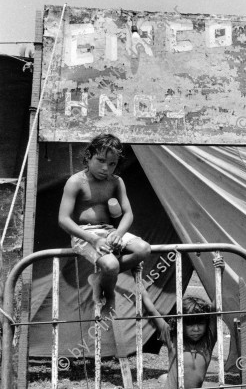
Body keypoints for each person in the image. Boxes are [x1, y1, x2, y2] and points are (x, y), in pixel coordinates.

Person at [58, 133, 151, 316]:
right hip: (84, 234)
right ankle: (109, 296)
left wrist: (119, 233)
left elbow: (128, 214)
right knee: (111, 265)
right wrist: (92, 239)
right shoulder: (76, 182)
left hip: (109, 231)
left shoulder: (116, 181)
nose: (105, 168)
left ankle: (100, 278)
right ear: (88, 157)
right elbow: (63, 219)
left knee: (144, 249)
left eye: (112, 164)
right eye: (100, 160)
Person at [140, 255, 224, 388]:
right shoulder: (172, 337)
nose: (196, 329)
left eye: (200, 323)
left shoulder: (208, 339)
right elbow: (151, 310)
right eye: (190, 324)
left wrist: (220, 273)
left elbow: (216, 307)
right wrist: (137, 278)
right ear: (180, 324)